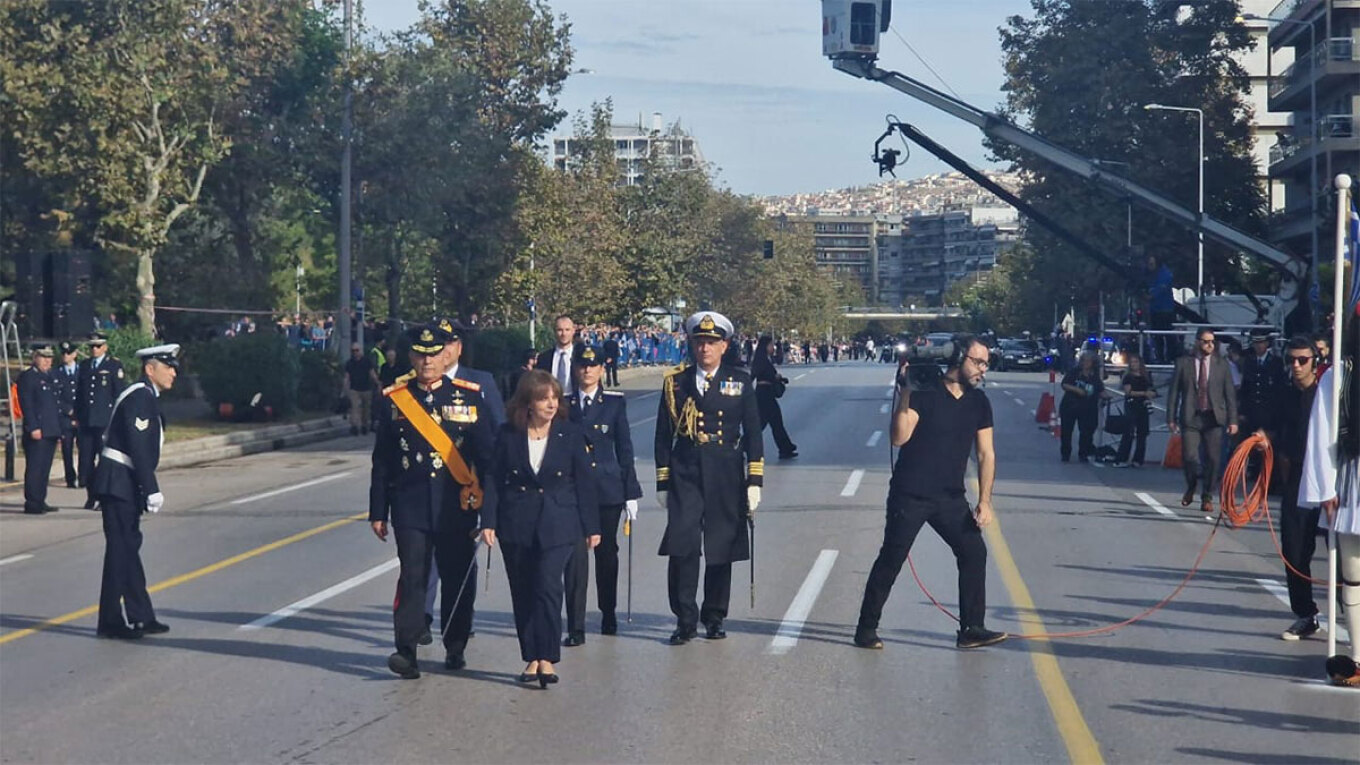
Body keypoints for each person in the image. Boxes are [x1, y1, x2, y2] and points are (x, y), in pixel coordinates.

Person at [854, 334, 1007, 650]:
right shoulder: (924, 391)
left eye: (986, 364)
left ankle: (971, 629)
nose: (983, 370)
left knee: (973, 551)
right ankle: (866, 629)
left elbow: (985, 454)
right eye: (978, 362)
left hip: (950, 497)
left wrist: (985, 502)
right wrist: (906, 392)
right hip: (910, 494)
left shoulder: (979, 402)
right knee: (892, 558)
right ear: (959, 358)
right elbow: (899, 438)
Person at [368, 324, 496, 679]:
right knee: (412, 577)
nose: (427, 361)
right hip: (410, 507)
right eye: (420, 355)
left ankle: (455, 645)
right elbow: (383, 461)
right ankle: (405, 650)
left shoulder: (468, 396)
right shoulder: (395, 399)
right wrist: (378, 511)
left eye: (434, 354)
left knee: (457, 578)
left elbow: (487, 458)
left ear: (447, 355)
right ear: (412, 357)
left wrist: (490, 511)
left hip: (456, 506)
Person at [482, 370, 600, 688]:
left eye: (554, 398)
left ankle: (547, 656)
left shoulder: (570, 433)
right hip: (517, 521)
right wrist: (488, 521)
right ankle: (531, 656)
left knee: (548, 586)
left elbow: (584, 483)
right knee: (523, 590)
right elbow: (493, 480)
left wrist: (592, 526)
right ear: (527, 403)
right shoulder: (508, 434)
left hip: (559, 522)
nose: (551, 404)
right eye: (543, 398)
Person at [654, 312, 763, 645]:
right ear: (692, 344)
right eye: (700, 342)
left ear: (724, 346)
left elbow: (754, 434)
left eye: (712, 343)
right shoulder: (676, 382)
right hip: (686, 469)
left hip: (725, 470)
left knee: (720, 545)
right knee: (683, 546)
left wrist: (754, 480)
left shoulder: (739, 381)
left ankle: (714, 616)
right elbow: (662, 434)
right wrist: (662, 480)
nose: (705, 349)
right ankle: (685, 618)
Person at [92, 343, 180, 639]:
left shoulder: (147, 397)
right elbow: (138, 448)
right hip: (118, 483)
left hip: (124, 483)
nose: (173, 374)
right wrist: (151, 488)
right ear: (149, 368)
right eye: (168, 368)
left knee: (128, 549)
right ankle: (110, 621)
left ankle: (141, 615)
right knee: (120, 552)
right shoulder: (140, 397)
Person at [563, 347, 641, 645]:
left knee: (607, 555)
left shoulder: (613, 404)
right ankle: (576, 624)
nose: (587, 371)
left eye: (592, 365)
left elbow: (624, 448)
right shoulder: (565, 404)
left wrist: (630, 491)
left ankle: (608, 612)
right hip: (574, 490)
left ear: (601, 369)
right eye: (582, 365)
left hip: (607, 490)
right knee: (575, 557)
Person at [1300, 309, 1358, 686]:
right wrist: (1324, 488)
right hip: (1355, 479)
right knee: (1354, 575)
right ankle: (1359, 655)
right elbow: (1322, 434)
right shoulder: (1340, 377)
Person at [1269, 336, 1324, 640]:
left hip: (1328, 480)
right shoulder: (1283, 394)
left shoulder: (1326, 393)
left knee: (1344, 557)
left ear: (1314, 361)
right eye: (1292, 359)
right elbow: (1271, 426)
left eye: (1303, 360)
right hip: (1296, 480)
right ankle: (1305, 614)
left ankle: (1352, 614)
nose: (1297, 365)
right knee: (1294, 551)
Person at [1167, 328, 1238, 514]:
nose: (1210, 345)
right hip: (1191, 415)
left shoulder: (1221, 364)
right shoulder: (1183, 363)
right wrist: (1171, 418)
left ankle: (1207, 495)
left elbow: (1229, 394)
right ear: (1197, 342)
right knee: (1190, 457)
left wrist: (1233, 420)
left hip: (1213, 417)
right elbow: (1174, 392)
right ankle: (1191, 485)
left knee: (1214, 459)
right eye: (1206, 341)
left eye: (1212, 342)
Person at [76, 332, 125, 509]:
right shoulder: (84, 365)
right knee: (86, 461)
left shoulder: (113, 365)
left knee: (104, 461)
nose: (94, 350)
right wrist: (77, 417)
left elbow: (118, 394)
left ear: (105, 347)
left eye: (98, 346)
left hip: (105, 422)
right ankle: (91, 496)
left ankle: (104, 497)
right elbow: (80, 395)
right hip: (87, 422)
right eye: (91, 346)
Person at [18, 344, 61, 515]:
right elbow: (27, 404)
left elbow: (54, 405)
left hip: (50, 429)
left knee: (44, 468)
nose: (47, 361)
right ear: (35, 357)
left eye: (49, 358)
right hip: (37, 430)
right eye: (43, 357)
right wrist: (33, 427)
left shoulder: (51, 376)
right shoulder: (29, 377)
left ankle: (40, 499)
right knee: (35, 468)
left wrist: (58, 431)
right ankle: (32, 502)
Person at [1238, 328, 1286, 479]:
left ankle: (1268, 475)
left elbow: (1278, 390)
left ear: (1267, 344)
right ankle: (1255, 470)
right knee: (1253, 444)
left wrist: (1277, 413)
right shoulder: (1249, 362)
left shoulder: (1276, 363)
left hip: (1269, 412)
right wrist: (1242, 411)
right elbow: (1246, 388)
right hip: (1253, 410)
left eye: (1262, 343)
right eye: (1256, 343)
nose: (1259, 346)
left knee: (1268, 445)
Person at [751, 335, 798, 459]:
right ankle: (742, 445)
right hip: (763, 395)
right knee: (767, 423)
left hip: (767, 393)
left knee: (771, 423)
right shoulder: (760, 360)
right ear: (765, 346)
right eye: (771, 345)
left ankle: (785, 448)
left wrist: (780, 378)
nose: (773, 347)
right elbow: (757, 374)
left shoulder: (766, 359)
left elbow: (775, 365)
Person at [1058, 351, 1104, 463]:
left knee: (1087, 431)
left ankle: (1083, 453)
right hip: (1070, 405)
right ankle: (1065, 453)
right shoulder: (1074, 372)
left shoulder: (1095, 375)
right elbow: (1064, 384)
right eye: (1083, 360)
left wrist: (1106, 396)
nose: (1085, 363)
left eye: (1088, 361)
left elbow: (1099, 389)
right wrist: (1077, 390)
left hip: (1088, 407)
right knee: (1067, 431)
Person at [1113, 353, 1156, 467]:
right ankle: (1122, 458)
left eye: (1136, 362)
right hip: (1132, 404)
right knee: (1129, 432)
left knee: (1142, 433)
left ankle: (1138, 459)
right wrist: (1144, 393)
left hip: (1143, 404)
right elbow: (1128, 392)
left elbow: (1151, 388)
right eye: (1132, 362)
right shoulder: (1128, 377)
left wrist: (1151, 394)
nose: (1134, 365)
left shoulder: (1146, 376)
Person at [54, 341, 81, 488]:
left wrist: (78, 412)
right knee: (67, 449)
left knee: (84, 449)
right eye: (63, 353)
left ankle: (84, 476)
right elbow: (55, 396)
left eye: (69, 353)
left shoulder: (82, 371)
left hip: (82, 416)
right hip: (64, 417)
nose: (65, 356)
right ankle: (70, 478)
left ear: (75, 354)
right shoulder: (56, 372)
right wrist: (68, 410)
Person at [538, 315, 584, 398]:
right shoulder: (544, 358)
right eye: (560, 330)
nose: (564, 334)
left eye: (567, 330)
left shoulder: (581, 355)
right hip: (551, 402)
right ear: (554, 331)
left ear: (573, 331)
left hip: (576, 402)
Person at [1146, 254, 1175, 363]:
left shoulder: (1165, 274)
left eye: (1151, 264)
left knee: (1168, 335)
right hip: (1155, 310)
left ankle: (1169, 358)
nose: (1150, 266)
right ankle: (1160, 358)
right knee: (1157, 336)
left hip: (1165, 310)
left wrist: (1150, 295)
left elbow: (1160, 288)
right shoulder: (1152, 274)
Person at [343, 343, 377, 436]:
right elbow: (347, 377)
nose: (355, 353)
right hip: (354, 389)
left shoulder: (367, 361)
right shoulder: (349, 363)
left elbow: (372, 373)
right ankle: (354, 426)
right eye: (353, 351)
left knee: (366, 409)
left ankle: (364, 425)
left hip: (366, 388)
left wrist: (377, 383)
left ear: (360, 351)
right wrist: (345, 388)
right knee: (354, 408)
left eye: (357, 350)